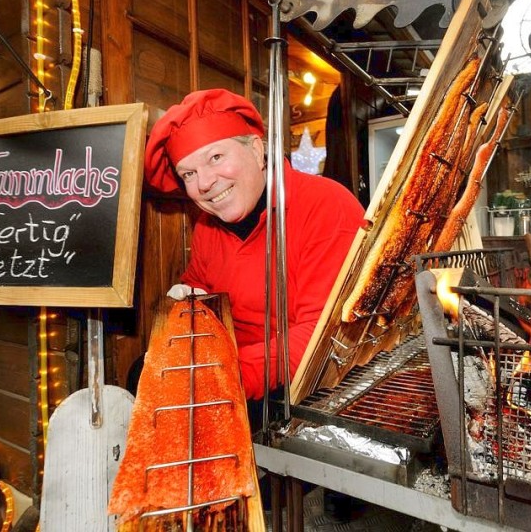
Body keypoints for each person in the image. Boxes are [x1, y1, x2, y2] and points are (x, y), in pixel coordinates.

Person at [143, 88, 366, 406]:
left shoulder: (326, 204)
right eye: (189, 174)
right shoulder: (208, 226)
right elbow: (199, 286)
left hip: (313, 395)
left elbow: (324, 335)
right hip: (237, 383)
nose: (204, 183)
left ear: (258, 150)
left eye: (216, 157)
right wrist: (183, 307)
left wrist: (218, 376)